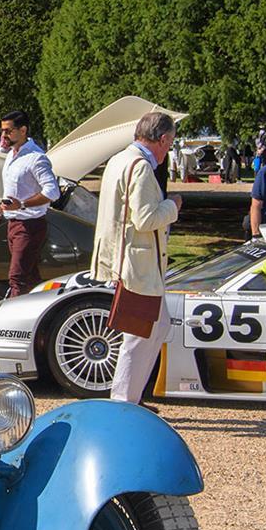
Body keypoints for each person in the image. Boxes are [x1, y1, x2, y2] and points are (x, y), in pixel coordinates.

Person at [91, 111, 182, 405]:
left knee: (156, 327)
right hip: (137, 264)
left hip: (128, 259)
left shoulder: (119, 159)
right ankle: (125, 401)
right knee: (139, 335)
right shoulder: (140, 166)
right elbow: (145, 219)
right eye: (169, 143)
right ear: (163, 139)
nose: (168, 149)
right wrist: (172, 205)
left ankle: (130, 397)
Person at [0, 110, 61, 297]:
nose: (3, 135)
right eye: (2, 131)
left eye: (8, 131)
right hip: (14, 223)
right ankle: (40, 315)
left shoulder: (36, 158)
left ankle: (13, 321)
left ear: (23, 130)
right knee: (30, 276)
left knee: (17, 277)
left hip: (30, 225)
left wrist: (21, 205)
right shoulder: (12, 155)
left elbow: (52, 192)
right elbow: (11, 195)